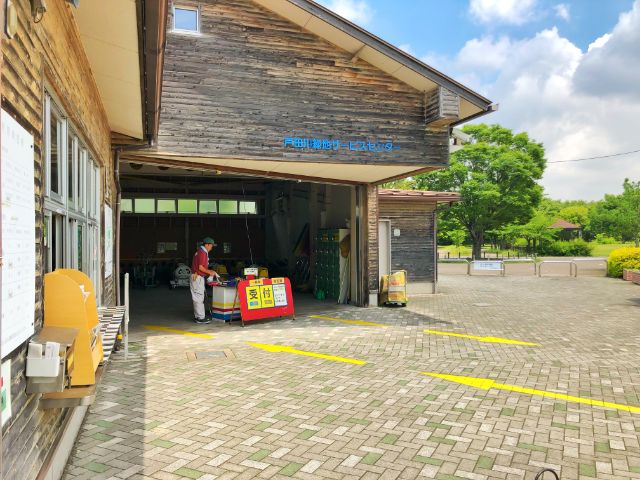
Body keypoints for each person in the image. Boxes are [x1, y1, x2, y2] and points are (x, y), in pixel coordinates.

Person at [190, 237, 219, 324]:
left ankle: (198, 316)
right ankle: (200, 318)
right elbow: (201, 267)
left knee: (197, 297)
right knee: (199, 297)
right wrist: (210, 272)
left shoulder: (200, 251)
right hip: (197, 277)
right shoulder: (202, 253)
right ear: (206, 245)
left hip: (196, 277)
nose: (211, 248)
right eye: (211, 246)